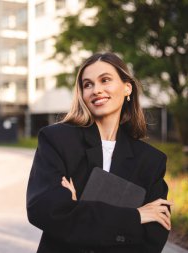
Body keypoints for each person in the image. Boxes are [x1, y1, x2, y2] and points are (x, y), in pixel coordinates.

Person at [26, 52, 173, 253]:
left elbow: (153, 236)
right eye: (87, 84)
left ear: (127, 88)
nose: (96, 90)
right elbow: (44, 210)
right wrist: (135, 216)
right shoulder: (57, 140)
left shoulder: (151, 161)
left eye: (105, 80)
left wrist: (78, 210)